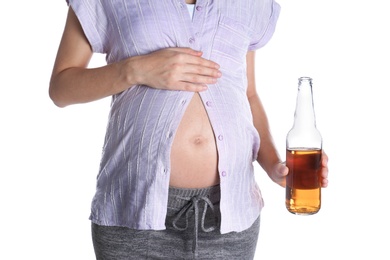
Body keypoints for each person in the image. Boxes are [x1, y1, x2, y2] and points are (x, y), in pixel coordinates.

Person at [49, 0, 329, 259]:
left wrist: (275, 165)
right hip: (133, 212)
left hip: (230, 218)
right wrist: (134, 70)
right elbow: (61, 88)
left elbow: (248, 94)